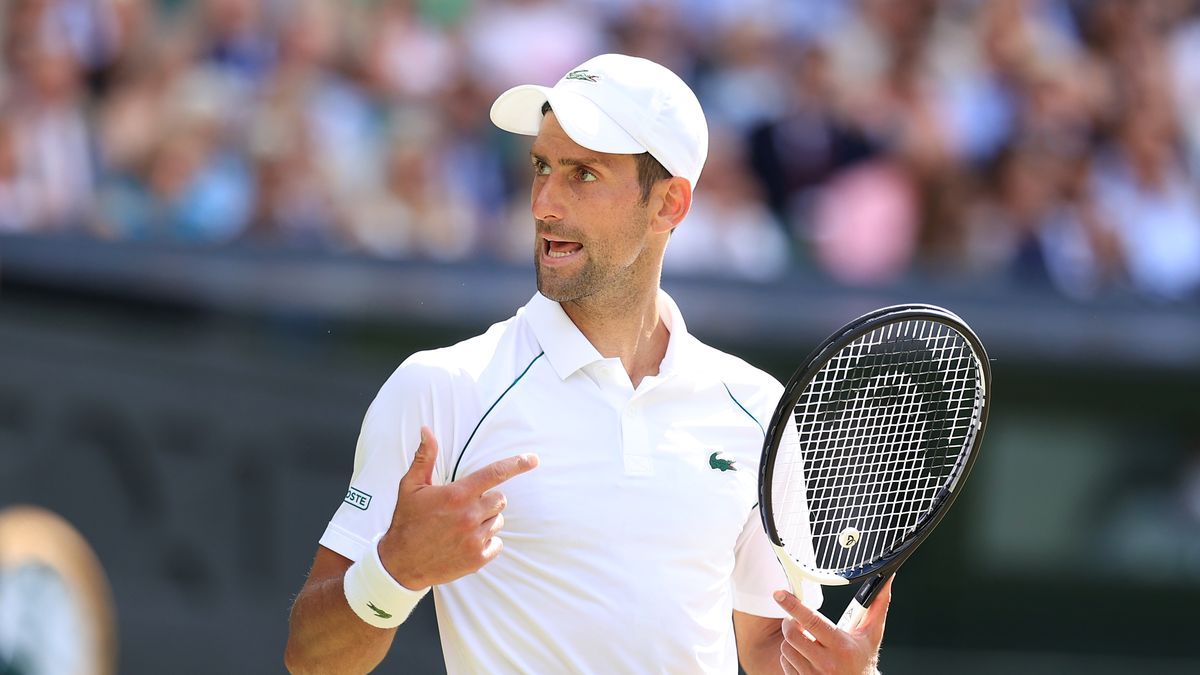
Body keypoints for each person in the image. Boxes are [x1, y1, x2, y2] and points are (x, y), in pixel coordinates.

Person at [284, 53, 891, 674]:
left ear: (669, 205)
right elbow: (310, 661)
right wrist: (393, 572)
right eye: (541, 167)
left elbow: (770, 649)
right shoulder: (441, 388)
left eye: (584, 175)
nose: (544, 203)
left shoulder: (757, 409)